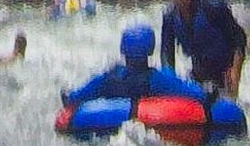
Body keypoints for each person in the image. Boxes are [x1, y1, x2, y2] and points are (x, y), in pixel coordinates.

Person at [159, 0, 246, 99]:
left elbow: (239, 39)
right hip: (199, 71)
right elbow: (166, 54)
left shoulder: (213, 6)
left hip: (224, 71)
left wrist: (235, 72)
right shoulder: (169, 16)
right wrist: (168, 84)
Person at [63, 24, 207, 107]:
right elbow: (189, 92)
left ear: (123, 49)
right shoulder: (157, 79)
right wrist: (206, 95)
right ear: (150, 50)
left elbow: (82, 94)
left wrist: (71, 98)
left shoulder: (109, 77)